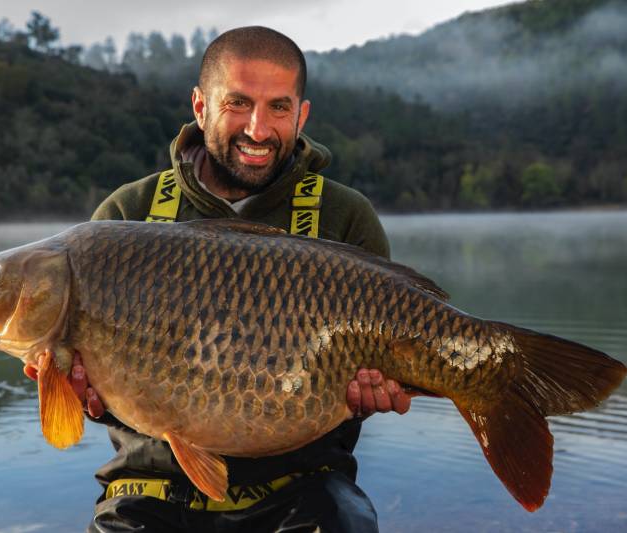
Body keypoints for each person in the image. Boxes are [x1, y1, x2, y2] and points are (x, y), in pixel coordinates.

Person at [26, 26, 411, 532]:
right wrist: (87, 399)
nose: (258, 128)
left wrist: (374, 394)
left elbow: (369, 388)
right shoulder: (127, 215)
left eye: (278, 106)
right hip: (150, 487)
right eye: (238, 103)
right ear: (200, 106)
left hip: (303, 485)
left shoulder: (344, 216)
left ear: (302, 113)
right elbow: (97, 400)